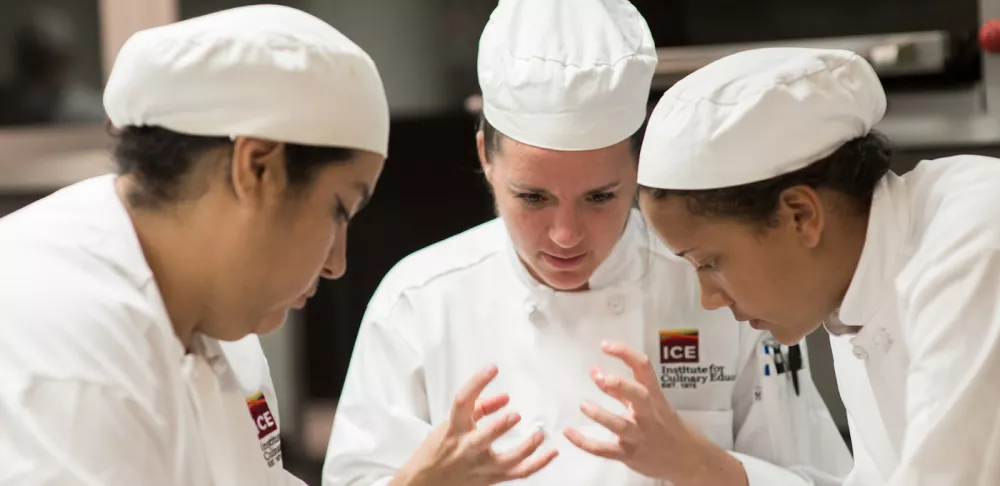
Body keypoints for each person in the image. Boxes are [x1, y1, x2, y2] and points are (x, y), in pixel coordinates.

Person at [322, 2, 852, 485]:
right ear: (486, 155)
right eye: (533, 197)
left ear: (637, 165)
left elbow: (823, 477)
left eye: (600, 196)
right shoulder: (419, 300)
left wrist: (704, 467)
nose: (565, 235)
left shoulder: (726, 288)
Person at [0, 5, 388, 485]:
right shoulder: (62, 337)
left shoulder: (211, 315)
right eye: (339, 210)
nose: (337, 263)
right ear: (257, 167)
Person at [635, 47, 1000, 485]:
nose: (709, 299)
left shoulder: (973, 244)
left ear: (800, 216)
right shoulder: (851, 292)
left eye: (710, 262)